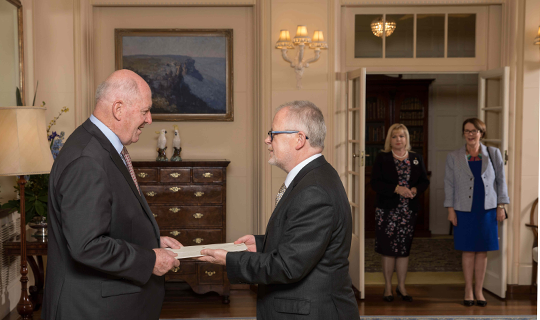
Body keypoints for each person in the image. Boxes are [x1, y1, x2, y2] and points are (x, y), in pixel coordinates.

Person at [197, 101, 359, 320]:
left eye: (273, 133)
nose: (267, 140)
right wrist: (262, 244)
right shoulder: (314, 177)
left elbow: (287, 266)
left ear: (299, 139)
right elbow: (304, 241)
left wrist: (230, 260)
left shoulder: (314, 190)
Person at [42, 69, 182, 320]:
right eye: (144, 111)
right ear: (118, 109)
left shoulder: (99, 147)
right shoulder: (88, 159)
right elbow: (87, 245)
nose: (149, 119)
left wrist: (151, 242)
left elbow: (106, 221)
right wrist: (149, 259)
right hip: (93, 309)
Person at [444, 118, 509, 307]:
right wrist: (450, 210)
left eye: (474, 131)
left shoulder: (493, 153)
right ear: (463, 134)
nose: (470, 134)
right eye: (467, 131)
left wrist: (501, 206)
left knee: (482, 251)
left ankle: (479, 291)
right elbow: (449, 184)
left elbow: (501, 181)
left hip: (487, 209)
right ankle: (468, 290)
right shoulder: (453, 156)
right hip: (463, 209)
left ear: (481, 133)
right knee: (467, 250)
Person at [370, 123, 430, 303]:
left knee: (403, 250)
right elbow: (375, 183)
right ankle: (388, 287)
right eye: (395, 136)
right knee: (388, 250)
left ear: (407, 139)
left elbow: (424, 182)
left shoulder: (416, 158)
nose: (398, 140)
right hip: (387, 211)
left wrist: (414, 189)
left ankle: (401, 286)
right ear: (390, 139)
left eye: (402, 136)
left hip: (408, 211)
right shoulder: (382, 158)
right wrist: (396, 189)